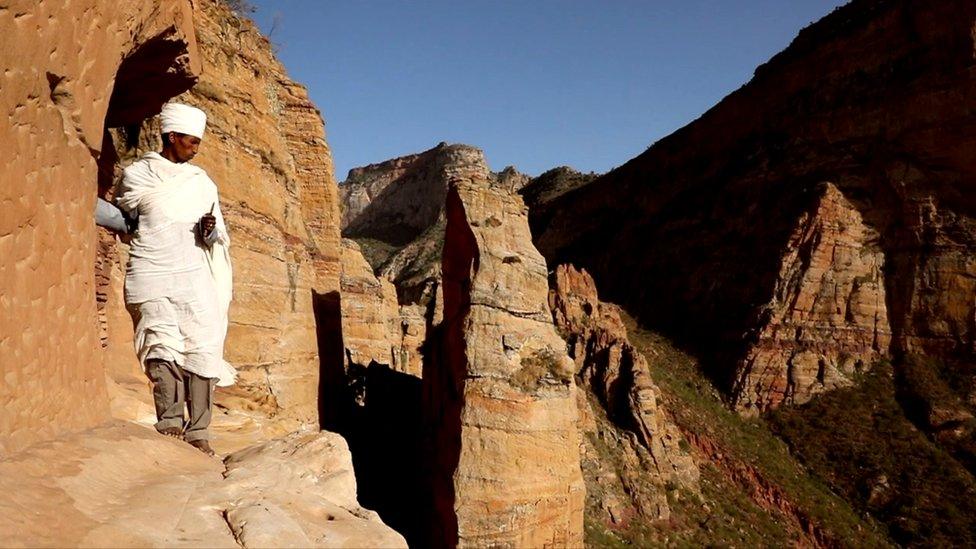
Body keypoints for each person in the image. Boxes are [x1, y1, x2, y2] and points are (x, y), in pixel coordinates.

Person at [115, 102, 236, 457]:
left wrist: (210, 232)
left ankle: (199, 430)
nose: (196, 148)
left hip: (193, 274)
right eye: (191, 142)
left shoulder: (202, 184)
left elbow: (217, 235)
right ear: (171, 136)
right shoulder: (139, 174)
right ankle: (169, 422)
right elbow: (125, 217)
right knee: (160, 343)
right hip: (150, 270)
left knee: (204, 344)